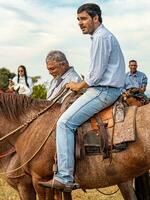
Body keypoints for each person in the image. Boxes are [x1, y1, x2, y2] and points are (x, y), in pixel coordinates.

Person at [39, 3, 125, 190]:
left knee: (64, 123)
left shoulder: (101, 37)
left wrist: (78, 85)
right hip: (106, 89)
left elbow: (95, 75)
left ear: (96, 18)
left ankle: (64, 176)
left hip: (103, 90)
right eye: (78, 19)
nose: (80, 23)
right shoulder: (100, 37)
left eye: (84, 18)